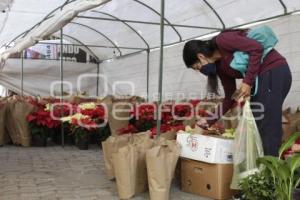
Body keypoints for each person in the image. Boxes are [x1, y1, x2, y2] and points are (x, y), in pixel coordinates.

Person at [182, 29, 292, 156]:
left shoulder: (222, 40)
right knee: (260, 121)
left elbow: (256, 48)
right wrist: (206, 121)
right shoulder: (220, 67)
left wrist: (247, 82)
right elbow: (230, 97)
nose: (200, 71)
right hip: (261, 79)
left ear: (200, 56)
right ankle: (266, 165)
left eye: (197, 67)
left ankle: (272, 171)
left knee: (268, 124)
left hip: (273, 71)